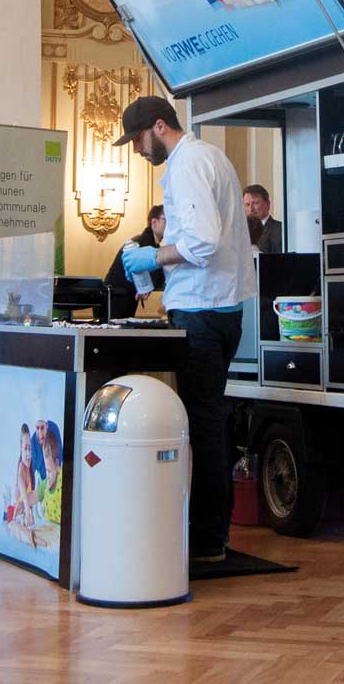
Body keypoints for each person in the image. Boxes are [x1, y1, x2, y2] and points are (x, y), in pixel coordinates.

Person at [116, 95, 256, 566]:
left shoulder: (187, 163)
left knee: (205, 426)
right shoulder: (211, 157)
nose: (137, 149)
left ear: (159, 126)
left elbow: (203, 240)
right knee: (209, 422)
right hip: (223, 306)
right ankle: (210, 535)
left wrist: (152, 256)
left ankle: (207, 540)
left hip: (200, 308)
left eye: (137, 138)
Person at [102, 205, 165, 318]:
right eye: (167, 220)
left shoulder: (146, 240)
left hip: (119, 299)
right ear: (154, 222)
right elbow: (157, 275)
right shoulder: (143, 243)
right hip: (115, 301)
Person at [243, 184, 284, 254]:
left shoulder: (280, 229)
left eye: (255, 203)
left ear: (267, 204)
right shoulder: (240, 231)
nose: (251, 209)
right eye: (247, 205)